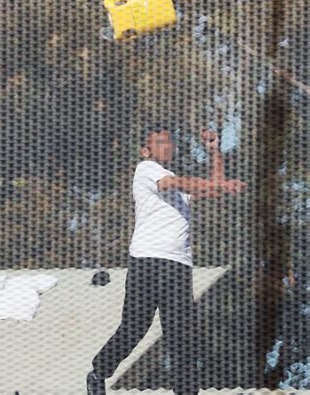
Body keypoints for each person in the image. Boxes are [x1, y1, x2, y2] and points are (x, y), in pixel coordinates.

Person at [86, 125, 247, 395]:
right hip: (147, 261)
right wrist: (219, 184)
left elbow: (215, 189)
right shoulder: (146, 169)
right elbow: (172, 184)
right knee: (135, 326)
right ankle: (98, 371)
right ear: (145, 150)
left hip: (179, 265)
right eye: (160, 142)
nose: (167, 145)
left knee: (181, 335)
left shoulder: (177, 180)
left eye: (169, 141)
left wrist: (215, 151)